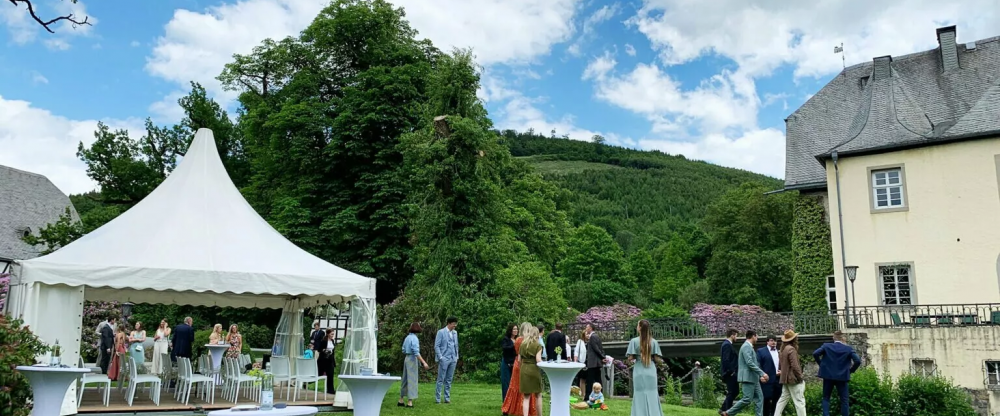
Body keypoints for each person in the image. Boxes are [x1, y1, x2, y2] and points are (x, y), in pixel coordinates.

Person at [813, 331, 861, 416]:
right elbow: (857, 361)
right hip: (842, 377)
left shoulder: (826, 346)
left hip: (828, 376)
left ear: (833, 338)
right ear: (843, 338)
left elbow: (815, 353)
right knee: (844, 400)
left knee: (826, 398)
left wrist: (822, 365)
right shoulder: (848, 349)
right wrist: (850, 370)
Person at [720, 330, 767, 416]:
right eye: (757, 336)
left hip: (754, 378)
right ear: (753, 336)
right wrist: (762, 373)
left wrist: (759, 376)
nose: (757, 338)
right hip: (748, 377)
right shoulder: (746, 347)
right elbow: (749, 363)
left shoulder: (749, 347)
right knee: (747, 399)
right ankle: (728, 413)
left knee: (760, 398)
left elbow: (754, 363)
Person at [502, 323, 539, 416]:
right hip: (525, 364)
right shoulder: (528, 341)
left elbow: (517, 353)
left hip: (516, 364)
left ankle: (511, 408)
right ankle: (528, 410)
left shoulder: (518, 340)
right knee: (526, 388)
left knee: (515, 386)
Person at [627, 319, 662, 416]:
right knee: (652, 394)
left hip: (639, 369)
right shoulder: (654, 342)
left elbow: (630, 358)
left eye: (637, 325)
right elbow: (657, 358)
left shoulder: (634, 341)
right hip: (650, 369)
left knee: (639, 394)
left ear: (640, 328)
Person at [774, 330, 806, 416]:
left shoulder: (783, 349)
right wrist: (800, 377)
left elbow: (782, 365)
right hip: (793, 379)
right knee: (800, 401)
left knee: (782, 400)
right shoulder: (791, 349)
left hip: (785, 379)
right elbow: (795, 366)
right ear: (794, 339)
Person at [398, 322, 430, 407]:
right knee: (412, 380)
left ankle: (401, 400)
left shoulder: (407, 337)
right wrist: (424, 362)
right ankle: (409, 402)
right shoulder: (415, 339)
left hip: (406, 358)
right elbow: (416, 352)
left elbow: (403, 350)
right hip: (412, 359)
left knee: (405, 380)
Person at [519, 326, 544, 416]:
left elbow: (519, 360)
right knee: (538, 395)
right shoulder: (538, 345)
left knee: (526, 396)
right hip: (534, 370)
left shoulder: (523, 344)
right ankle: (539, 415)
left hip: (524, 369)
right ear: (537, 334)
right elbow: (538, 359)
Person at [434, 316, 459, 404]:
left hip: (453, 359)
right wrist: (441, 357)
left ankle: (447, 398)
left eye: (455, 324)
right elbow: (436, 346)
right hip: (444, 358)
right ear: (448, 323)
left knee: (449, 379)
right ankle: (437, 399)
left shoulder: (455, 333)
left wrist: (456, 357)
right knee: (440, 379)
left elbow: (456, 345)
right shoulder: (441, 332)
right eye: (453, 324)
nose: (454, 326)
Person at [756, 336, 780, 416]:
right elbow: (758, 364)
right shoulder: (761, 351)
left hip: (778, 379)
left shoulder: (779, 352)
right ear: (767, 342)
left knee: (777, 400)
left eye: (775, 341)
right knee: (766, 400)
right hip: (766, 380)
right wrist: (761, 376)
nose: (774, 342)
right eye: (772, 340)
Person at [719, 328, 739, 412]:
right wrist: (731, 371)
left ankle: (723, 409)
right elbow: (726, 360)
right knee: (732, 392)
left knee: (734, 391)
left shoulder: (727, 344)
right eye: (736, 336)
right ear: (732, 335)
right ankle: (727, 411)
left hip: (730, 373)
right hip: (730, 373)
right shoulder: (727, 345)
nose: (737, 338)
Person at [584, 323, 605, 400]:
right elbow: (600, 348)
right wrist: (603, 357)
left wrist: (602, 357)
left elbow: (596, 349)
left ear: (590, 328)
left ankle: (587, 397)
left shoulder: (592, 337)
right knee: (598, 379)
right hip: (597, 362)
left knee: (590, 380)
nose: (586, 329)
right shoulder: (597, 336)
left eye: (587, 327)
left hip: (593, 362)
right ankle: (600, 395)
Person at [501, 324, 519, 402]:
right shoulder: (506, 339)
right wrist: (514, 345)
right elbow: (505, 348)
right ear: (510, 330)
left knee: (514, 384)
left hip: (514, 364)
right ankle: (505, 403)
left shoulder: (518, 339)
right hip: (506, 363)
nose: (515, 331)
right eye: (514, 329)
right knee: (506, 384)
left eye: (516, 329)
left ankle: (512, 404)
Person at [318, 330, 337, 394]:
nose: (332, 336)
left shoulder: (332, 341)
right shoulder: (324, 341)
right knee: (319, 373)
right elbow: (319, 349)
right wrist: (324, 350)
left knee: (331, 374)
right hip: (324, 359)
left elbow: (333, 351)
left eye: (333, 334)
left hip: (330, 359)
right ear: (328, 334)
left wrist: (334, 361)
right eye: (331, 334)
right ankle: (306, 383)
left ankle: (331, 390)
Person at [573, 330, 588, 394]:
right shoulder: (580, 342)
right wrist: (575, 361)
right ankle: (583, 394)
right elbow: (576, 351)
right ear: (583, 335)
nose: (588, 335)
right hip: (582, 361)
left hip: (589, 361)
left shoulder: (591, 341)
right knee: (582, 378)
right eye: (587, 334)